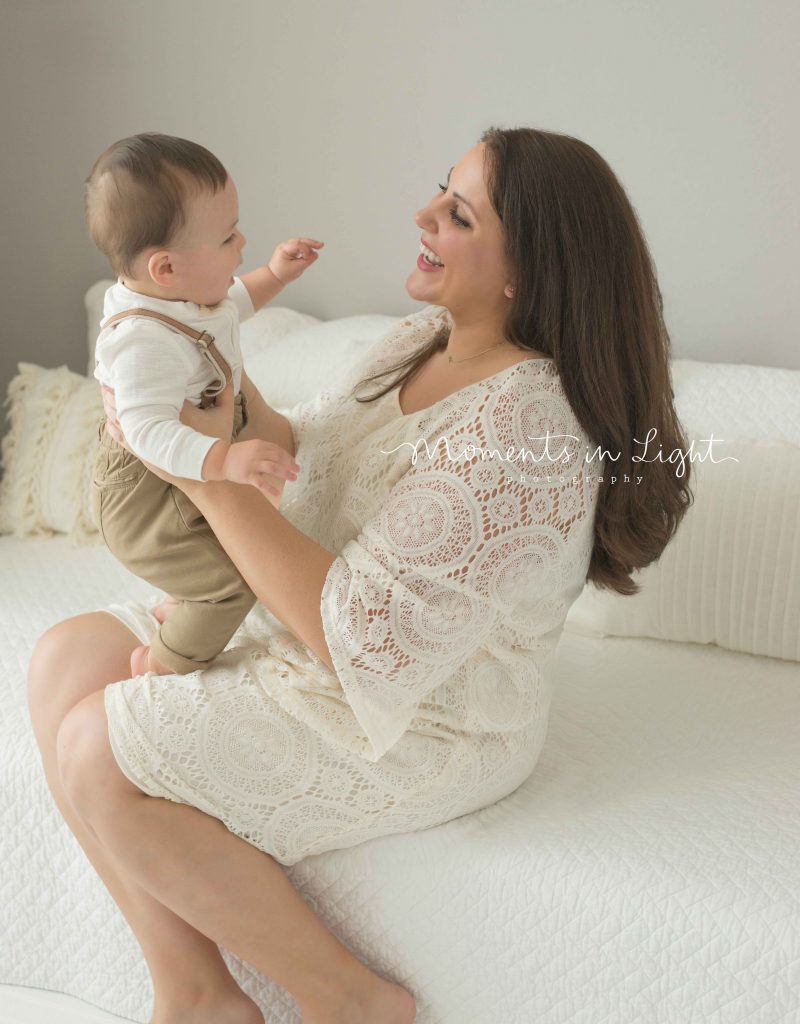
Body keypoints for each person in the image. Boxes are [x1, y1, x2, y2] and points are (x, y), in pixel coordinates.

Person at [27, 126, 692, 1024]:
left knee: (93, 748)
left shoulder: (522, 432)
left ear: (522, 271)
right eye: (439, 193)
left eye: (457, 213)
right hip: (316, 618)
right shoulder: (421, 339)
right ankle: (194, 990)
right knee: (62, 661)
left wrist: (199, 473)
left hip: (425, 709)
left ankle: (349, 999)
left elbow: (362, 642)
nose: (421, 214)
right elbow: (310, 451)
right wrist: (202, 382)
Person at [87, 132, 323, 680]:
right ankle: (162, 663)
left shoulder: (186, 299)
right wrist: (222, 460)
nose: (242, 242)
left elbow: (233, 304)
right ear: (165, 269)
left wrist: (277, 275)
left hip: (189, 458)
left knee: (229, 542)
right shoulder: (142, 340)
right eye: (226, 238)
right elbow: (144, 431)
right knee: (230, 585)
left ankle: (183, 597)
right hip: (148, 490)